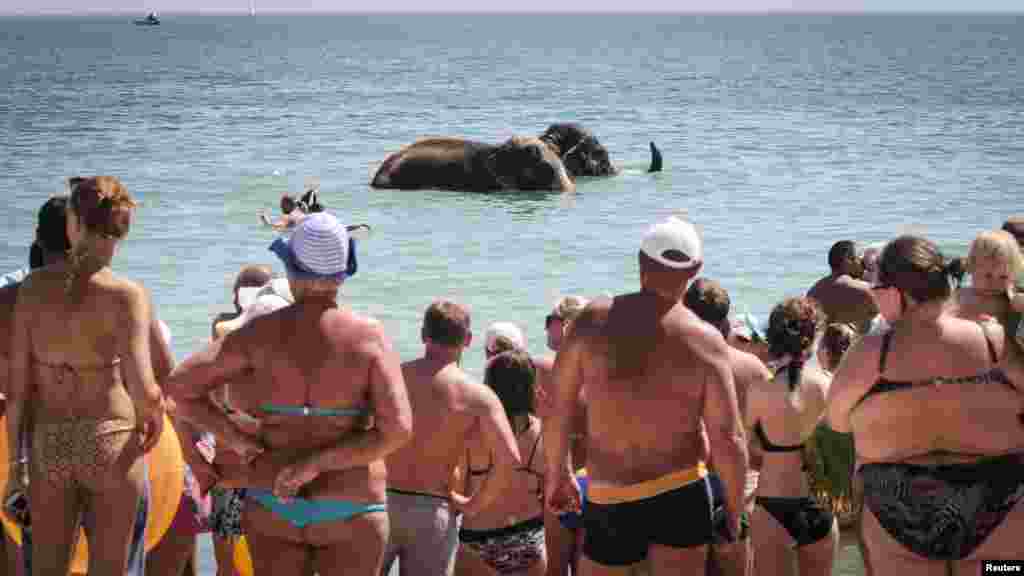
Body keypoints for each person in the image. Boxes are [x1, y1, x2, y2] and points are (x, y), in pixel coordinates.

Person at [168, 212, 413, 575]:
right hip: (350, 503)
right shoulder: (368, 337)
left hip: (271, 500)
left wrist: (238, 440)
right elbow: (398, 430)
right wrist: (317, 464)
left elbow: (178, 387)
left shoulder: (258, 334)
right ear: (345, 272)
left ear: (291, 269)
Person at [545, 216, 747, 576]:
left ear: (640, 261)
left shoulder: (592, 321)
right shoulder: (705, 342)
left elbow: (557, 404)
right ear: (696, 268)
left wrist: (558, 473)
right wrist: (733, 509)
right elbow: (728, 438)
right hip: (681, 493)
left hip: (610, 493)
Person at [826, 235, 1024, 575]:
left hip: (897, 507)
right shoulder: (992, 340)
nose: (873, 293)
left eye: (877, 286)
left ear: (896, 292)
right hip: (997, 499)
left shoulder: (872, 352)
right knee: (1000, 570)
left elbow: (837, 420)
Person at [4, 177, 166, 575]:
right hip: (110, 436)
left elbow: (19, 387)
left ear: (74, 225)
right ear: (122, 231)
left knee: (46, 568)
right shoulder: (128, 295)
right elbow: (146, 387)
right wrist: (156, 415)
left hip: (51, 440)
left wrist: (16, 464)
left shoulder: (33, 289)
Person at [381, 300, 520, 576]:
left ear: (423, 335)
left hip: (380, 502)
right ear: (467, 340)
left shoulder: (390, 377)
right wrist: (473, 504)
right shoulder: (477, 395)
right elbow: (510, 459)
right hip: (434, 510)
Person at [684, 278, 773, 576]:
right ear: (725, 318)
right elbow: (768, 439)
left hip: (683, 488)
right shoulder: (752, 368)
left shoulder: (668, 365)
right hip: (738, 487)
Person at [745, 297, 838, 576]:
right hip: (818, 501)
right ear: (812, 338)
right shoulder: (827, 384)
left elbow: (749, 450)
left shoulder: (759, 391)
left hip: (773, 500)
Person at [456, 349, 547, 576]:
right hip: (530, 539)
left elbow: (454, 500)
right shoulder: (544, 432)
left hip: (479, 541)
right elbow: (551, 497)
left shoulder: (472, 433)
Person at [955, 230, 1023, 332]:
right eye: (988, 276)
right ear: (970, 268)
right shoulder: (960, 295)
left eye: (1003, 277)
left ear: (1013, 275)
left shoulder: (1010, 298)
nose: (994, 283)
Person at [807, 240, 878, 334]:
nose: (862, 263)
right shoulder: (863, 290)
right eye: (859, 258)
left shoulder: (813, 291)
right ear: (848, 260)